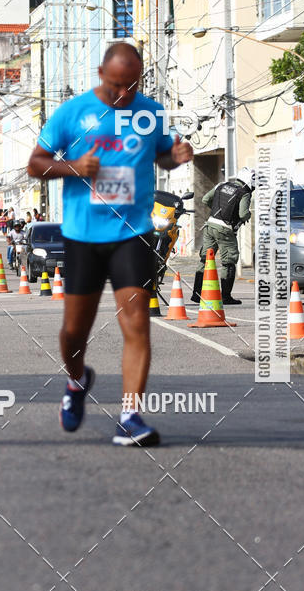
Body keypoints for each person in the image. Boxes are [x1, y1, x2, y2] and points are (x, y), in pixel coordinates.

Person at [27, 41, 193, 447]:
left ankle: (131, 416)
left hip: (132, 232)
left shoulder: (151, 113)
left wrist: (177, 154)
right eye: (116, 85)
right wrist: (72, 167)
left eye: (131, 86)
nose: (123, 95)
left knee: (137, 323)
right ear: (101, 74)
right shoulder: (72, 113)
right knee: (73, 331)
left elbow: (163, 157)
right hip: (83, 235)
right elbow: (35, 163)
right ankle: (77, 379)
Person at [191, 166, 256, 306]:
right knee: (229, 261)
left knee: (205, 258)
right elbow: (243, 214)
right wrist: (249, 215)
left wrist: (217, 212)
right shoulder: (244, 193)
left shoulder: (222, 185)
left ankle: (197, 294)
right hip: (225, 229)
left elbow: (205, 199)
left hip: (210, 225)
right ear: (249, 181)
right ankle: (226, 296)